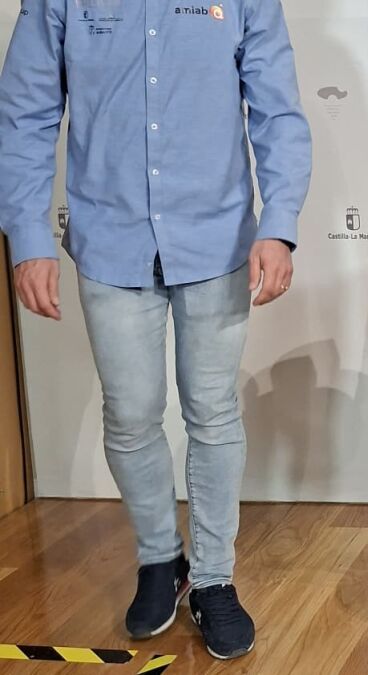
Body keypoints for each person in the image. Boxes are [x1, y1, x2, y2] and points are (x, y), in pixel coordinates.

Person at [0, 0, 311, 660]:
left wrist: (279, 224)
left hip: (217, 239)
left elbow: (277, 112)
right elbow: (24, 113)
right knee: (130, 415)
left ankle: (214, 578)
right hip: (109, 241)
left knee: (213, 410)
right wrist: (27, 236)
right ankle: (161, 559)